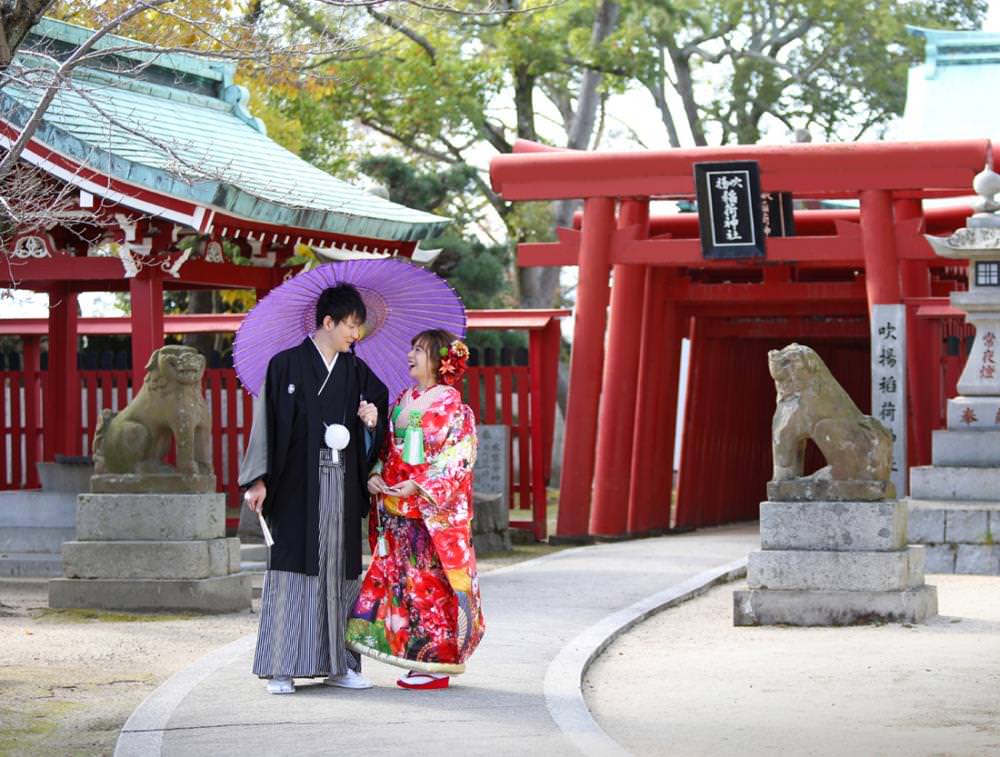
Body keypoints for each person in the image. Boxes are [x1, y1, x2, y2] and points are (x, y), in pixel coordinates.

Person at [239, 284, 389, 695]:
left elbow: (378, 406)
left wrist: (370, 421)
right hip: (294, 484)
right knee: (292, 568)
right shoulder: (284, 365)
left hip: (341, 480)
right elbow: (265, 422)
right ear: (328, 321)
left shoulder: (356, 371)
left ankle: (341, 664)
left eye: (359, 327)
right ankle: (281, 666)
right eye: (352, 325)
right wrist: (258, 478)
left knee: (340, 570)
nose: (356, 335)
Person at [346, 329, 484, 690]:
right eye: (411, 348)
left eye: (420, 350)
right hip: (397, 506)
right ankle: (415, 654)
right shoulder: (403, 400)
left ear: (441, 361)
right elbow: (388, 452)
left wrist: (420, 485)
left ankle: (439, 661)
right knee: (406, 584)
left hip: (429, 512)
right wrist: (375, 474)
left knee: (432, 584)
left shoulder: (454, 406)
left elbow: (459, 456)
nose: (411, 355)